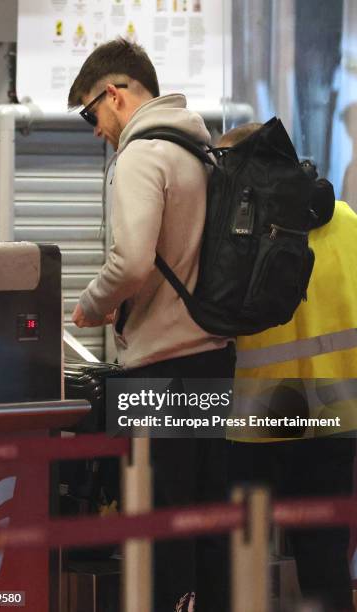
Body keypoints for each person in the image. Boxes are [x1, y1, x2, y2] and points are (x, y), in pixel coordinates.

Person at [68, 38, 235, 611]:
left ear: (114, 95)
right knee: (206, 520)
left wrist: (93, 302)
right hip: (215, 359)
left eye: (92, 114)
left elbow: (132, 261)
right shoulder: (200, 149)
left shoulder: (140, 154)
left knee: (160, 525)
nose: (95, 130)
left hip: (158, 373)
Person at [218, 124, 357, 612]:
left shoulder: (239, 229)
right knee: (325, 559)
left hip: (260, 415)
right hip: (337, 413)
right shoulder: (347, 220)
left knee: (240, 556)